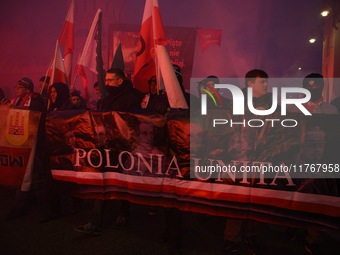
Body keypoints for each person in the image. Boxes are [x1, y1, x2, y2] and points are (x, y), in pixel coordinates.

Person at [74, 68, 141, 235]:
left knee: (124, 183)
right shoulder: (105, 100)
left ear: (120, 81)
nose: (106, 83)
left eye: (110, 80)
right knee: (102, 182)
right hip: (107, 148)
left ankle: (123, 213)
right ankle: (94, 221)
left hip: (125, 149)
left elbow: (135, 123)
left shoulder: (132, 98)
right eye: (106, 80)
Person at [218, 69, 272, 255]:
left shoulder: (272, 102)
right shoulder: (237, 102)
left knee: (256, 199)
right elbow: (228, 127)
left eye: (266, 82)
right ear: (250, 84)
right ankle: (231, 237)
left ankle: (251, 235)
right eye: (262, 82)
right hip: (240, 157)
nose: (266, 85)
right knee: (239, 198)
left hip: (262, 157)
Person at [4, 78, 45, 220]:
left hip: (33, 143)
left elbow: (33, 117)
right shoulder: (18, 101)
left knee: (26, 173)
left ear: (28, 89)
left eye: (20, 87)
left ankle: (20, 206)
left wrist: (13, 110)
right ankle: (31, 197)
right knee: (26, 172)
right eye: (16, 86)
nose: (16, 89)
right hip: (21, 141)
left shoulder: (36, 101)